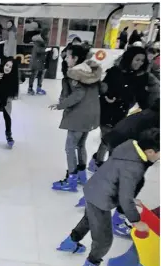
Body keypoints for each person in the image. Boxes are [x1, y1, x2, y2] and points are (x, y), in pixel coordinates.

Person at [56, 128, 160, 266]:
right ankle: (91, 264)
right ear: (150, 152)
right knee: (104, 240)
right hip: (101, 199)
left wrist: (130, 199)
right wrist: (136, 221)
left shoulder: (128, 147)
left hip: (94, 188)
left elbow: (116, 175)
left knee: (89, 219)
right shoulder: (134, 167)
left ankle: (70, 242)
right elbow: (125, 197)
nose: (159, 158)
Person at [88, 46, 157, 173]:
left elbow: (142, 96)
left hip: (123, 111)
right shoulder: (115, 71)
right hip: (107, 110)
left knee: (109, 139)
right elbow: (104, 88)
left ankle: (97, 161)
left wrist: (150, 111)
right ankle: (106, 167)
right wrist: (108, 95)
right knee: (111, 140)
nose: (139, 63)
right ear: (129, 58)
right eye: (137, 60)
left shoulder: (142, 77)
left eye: (142, 60)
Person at [49, 45, 105, 193]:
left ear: (75, 58)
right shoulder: (91, 72)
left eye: (68, 56)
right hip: (92, 115)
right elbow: (102, 89)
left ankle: (71, 179)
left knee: (70, 147)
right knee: (80, 145)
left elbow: (78, 95)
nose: (66, 58)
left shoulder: (75, 73)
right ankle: (81, 175)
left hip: (79, 115)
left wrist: (61, 105)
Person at [0, 57, 19, 148]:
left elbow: (13, 93)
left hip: (6, 100)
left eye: (10, 67)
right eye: (6, 65)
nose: (7, 68)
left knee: (7, 116)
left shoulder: (13, 78)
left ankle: (9, 135)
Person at [28, 29, 49, 95]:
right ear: (44, 34)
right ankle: (30, 88)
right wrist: (46, 49)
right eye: (48, 33)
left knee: (41, 75)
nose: (49, 35)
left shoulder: (45, 40)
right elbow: (38, 50)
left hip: (42, 61)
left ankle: (38, 88)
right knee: (34, 75)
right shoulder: (37, 41)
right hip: (36, 61)